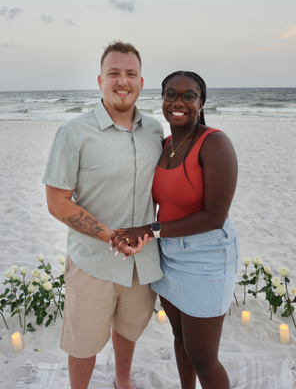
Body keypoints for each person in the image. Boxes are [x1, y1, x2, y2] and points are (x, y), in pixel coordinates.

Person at [42, 41, 164, 389]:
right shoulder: (73, 133)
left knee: (128, 330)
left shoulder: (156, 130)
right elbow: (57, 202)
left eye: (130, 74)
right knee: (83, 343)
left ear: (142, 82)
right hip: (92, 261)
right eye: (114, 73)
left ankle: (122, 381)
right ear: (100, 80)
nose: (122, 81)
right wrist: (110, 236)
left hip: (143, 262)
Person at [110, 70, 239, 389]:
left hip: (207, 256)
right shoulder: (165, 143)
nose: (178, 102)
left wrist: (148, 229)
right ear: (162, 99)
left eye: (188, 96)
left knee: (204, 358)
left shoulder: (215, 143)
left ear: (201, 102)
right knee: (180, 336)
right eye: (170, 94)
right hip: (168, 251)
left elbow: (214, 217)